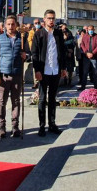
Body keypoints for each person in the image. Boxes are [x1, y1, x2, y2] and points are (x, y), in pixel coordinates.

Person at [31, 9, 67, 137]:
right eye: (49, 18)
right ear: (44, 20)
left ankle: (52, 123)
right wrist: (37, 70)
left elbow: (62, 52)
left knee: (52, 98)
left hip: (55, 70)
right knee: (42, 99)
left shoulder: (58, 33)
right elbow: (34, 53)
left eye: (53, 18)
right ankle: (42, 126)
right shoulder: (39, 34)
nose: (51, 21)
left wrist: (63, 68)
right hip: (43, 70)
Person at [0, 14, 26, 138]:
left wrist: (26, 56)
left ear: (16, 25)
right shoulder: (0, 38)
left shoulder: (21, 39)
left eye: (13, 24)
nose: (11, 26)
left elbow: (29, 53)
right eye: (8, 24)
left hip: (17, 75)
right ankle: (2, 126)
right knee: (1, 102)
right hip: (3, 76)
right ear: (5, 25)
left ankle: (15, 127)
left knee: (16, 102)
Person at [77, 24, 97, 91]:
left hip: (94, 57)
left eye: (92, 29)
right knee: (85, 72)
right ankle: (83, 86)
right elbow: (82, 45)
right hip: (86, 57)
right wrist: (86, 52)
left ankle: (96, 87)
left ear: (94, 30)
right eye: (89, 29)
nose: (90, 31)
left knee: (95, 72)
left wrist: (92, 53)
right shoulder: (85, 36)